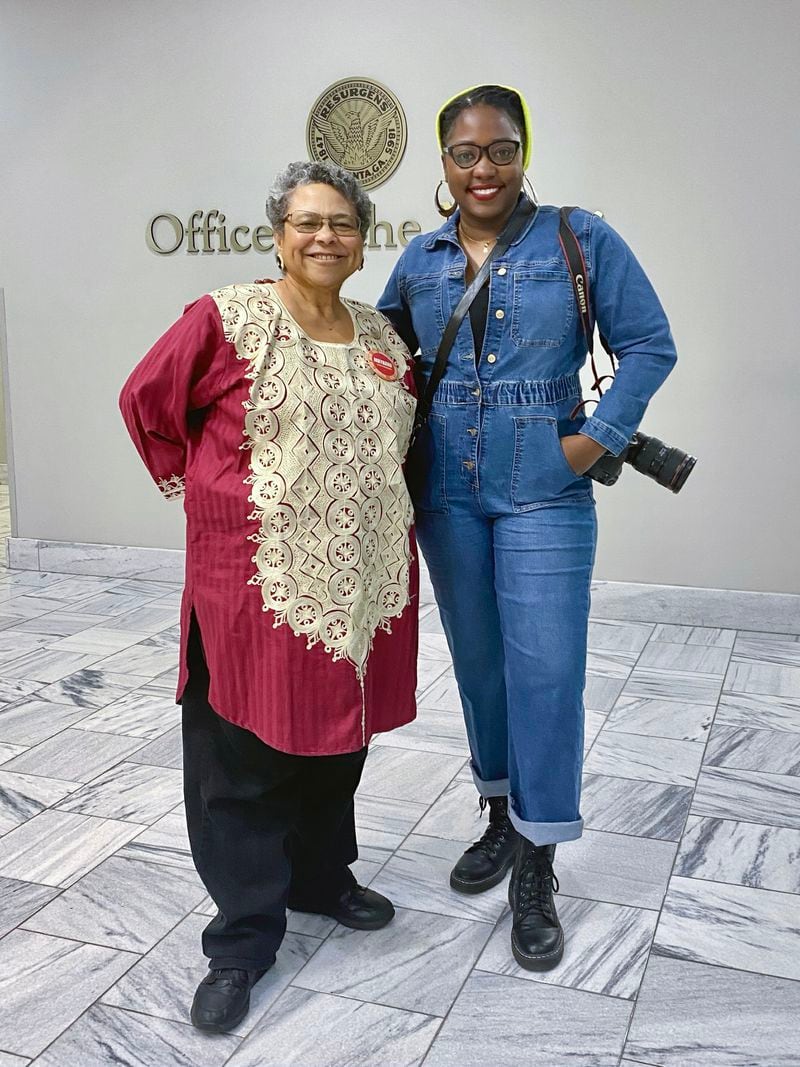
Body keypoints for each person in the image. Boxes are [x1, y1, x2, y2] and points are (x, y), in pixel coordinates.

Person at [378, 84, 677, 971]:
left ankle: (538, 859)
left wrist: (592, 442)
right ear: (444, 163)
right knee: (479, 665)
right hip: (449, 491)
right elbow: (386, 362)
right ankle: (500, 816)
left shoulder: (579, 238)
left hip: (545, 483)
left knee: (546, 668)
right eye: (466, 153)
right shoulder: (421, 258)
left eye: (501, 149)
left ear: (522, 152)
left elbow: (651, 343)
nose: (484, 168)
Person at [120, 160, 418, 1032]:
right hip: (257, 585)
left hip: (359, 583)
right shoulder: (226, 319)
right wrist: (215, 496)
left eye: (342, 224)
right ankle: (244, 937)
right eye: (306, 222)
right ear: (277, 234)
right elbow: (147, 401)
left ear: (362, 242)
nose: (325, 236)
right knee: (241, 761)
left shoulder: (382, 336)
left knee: (337, 742)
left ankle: (322, 879)